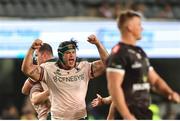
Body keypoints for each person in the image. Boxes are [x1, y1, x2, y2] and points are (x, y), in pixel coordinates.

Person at [106, 10, 180, 120]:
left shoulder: (140, 52)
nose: (142, 28)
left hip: (143, 112)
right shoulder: (119, 53)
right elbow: (114, 87)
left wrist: (170, 93)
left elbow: (155, 80)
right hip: (128, 113)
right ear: (130, 27)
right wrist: (127, 116)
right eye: (139, 25)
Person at [21, 35, 109, 119]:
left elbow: (108, 63)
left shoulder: (84, 67)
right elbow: (27, 71)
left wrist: (98, 43)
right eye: (67, 53)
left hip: (80, 117)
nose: (71, 55)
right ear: (60, 56)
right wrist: (32, 49)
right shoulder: (49, 68)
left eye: (73, 52)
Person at [21, 43, 56, 120]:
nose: (35, 59)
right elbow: (25, 91)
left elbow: (25, 90)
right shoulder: (65, 67)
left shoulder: (44, 68)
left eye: (36, 55)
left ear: (44, 56)